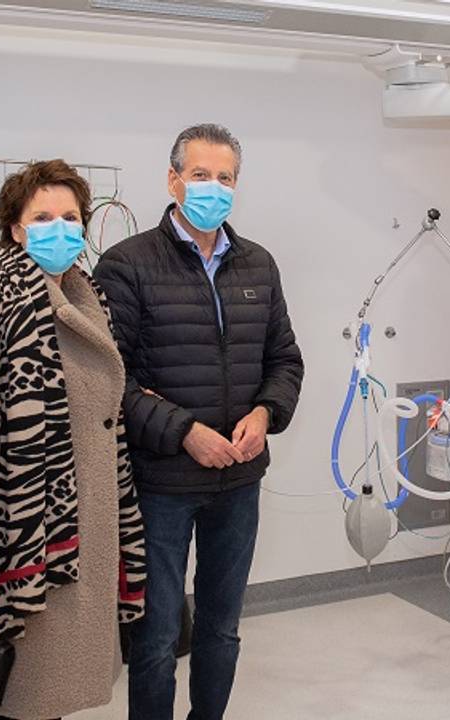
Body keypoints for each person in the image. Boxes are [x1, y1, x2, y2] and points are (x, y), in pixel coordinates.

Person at [94, 124, 305, 720]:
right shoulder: (127, 265)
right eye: (201, 175)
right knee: (158, 638)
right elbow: (113, 381)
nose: (213, 188)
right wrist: (185, 431)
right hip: (161, 485)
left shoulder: (257, 266)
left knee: (222, 628)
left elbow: (285, 361)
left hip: (238, 481)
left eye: (225, 177)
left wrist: (266, 413)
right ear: (173, 179)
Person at [0, 159, 148, 720]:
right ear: (17, 229)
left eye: (70, 217)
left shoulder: (85, 297)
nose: (60, 228)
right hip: (25, 543)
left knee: (49, 697)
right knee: (19, 696)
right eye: (43, 216)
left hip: (81, 537)